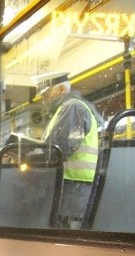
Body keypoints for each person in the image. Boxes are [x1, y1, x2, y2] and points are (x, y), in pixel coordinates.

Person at [36, 72, 103, 228]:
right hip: (72, 187)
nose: (43, 98)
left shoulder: (72, 107)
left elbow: (58, 150)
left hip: (74, 189)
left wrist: (29, 156)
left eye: (46, 93)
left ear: (60, 89)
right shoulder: (64, 110)